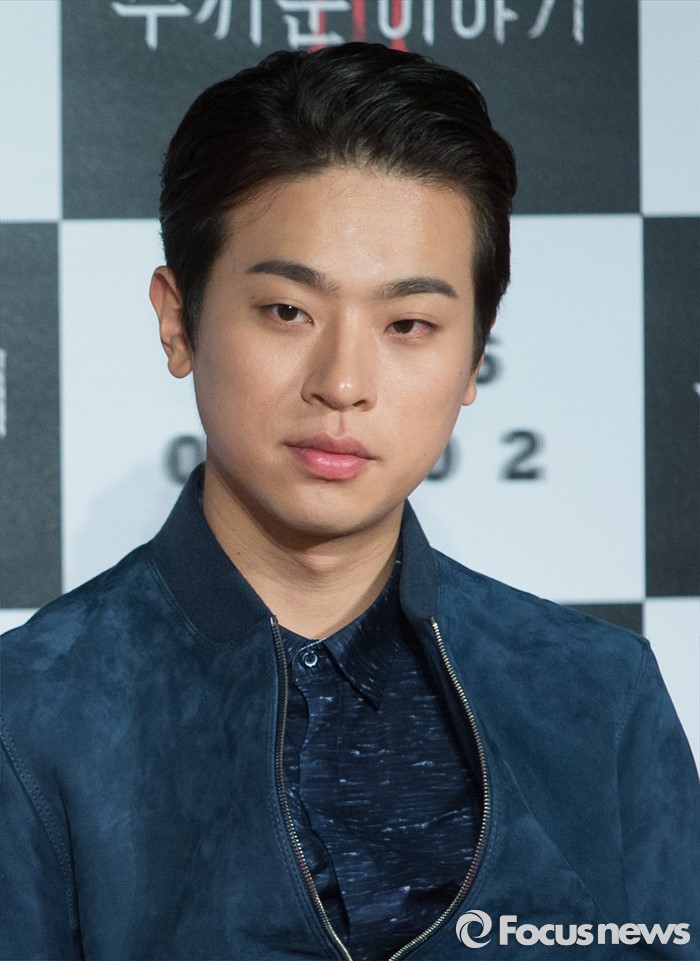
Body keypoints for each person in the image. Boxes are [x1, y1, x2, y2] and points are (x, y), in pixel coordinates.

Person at [1, 43, 698, 961]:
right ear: (178, 319)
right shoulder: (29, 715)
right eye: (288, 311)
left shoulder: (599, 695)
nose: (342, 382)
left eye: (408, 324)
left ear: (475, 353)